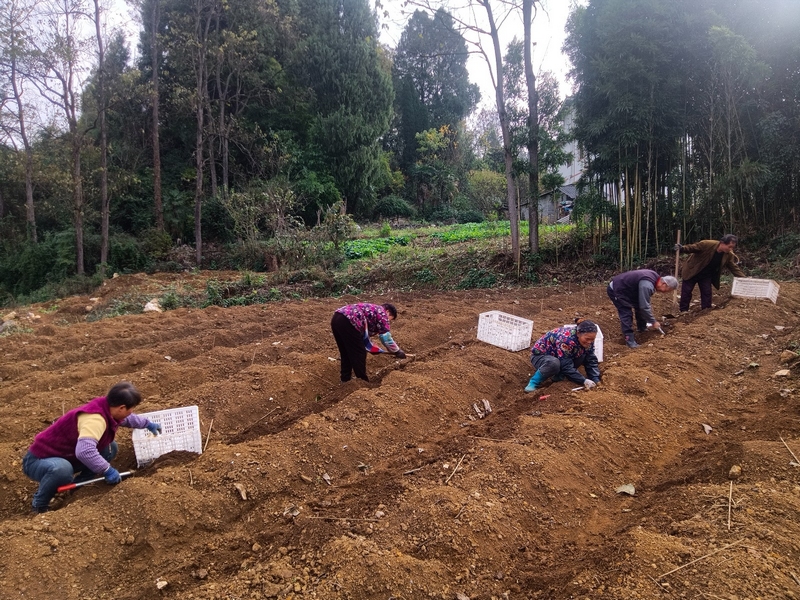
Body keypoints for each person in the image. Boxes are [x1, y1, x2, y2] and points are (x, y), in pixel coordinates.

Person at [22, 381, 161, 514]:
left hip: (67, 455)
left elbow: (127, 419)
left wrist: (147, 424)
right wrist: (107, 470)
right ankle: (40, 504)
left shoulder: (108, 407)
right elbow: (84, 451)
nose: (131, 412)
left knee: (109, 448)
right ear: (121, 407)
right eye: (131, 409)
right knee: (62, 470)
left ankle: (79, 486)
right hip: (39, 460)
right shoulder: (95, 419)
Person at [331, 302, 406, 382]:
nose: (388, 321)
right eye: (390, 318)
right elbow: (385, 337)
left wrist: (372, 348)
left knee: (346, 351)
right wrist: (397, 350)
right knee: (360, 352)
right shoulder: (382, 313)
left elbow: (361, 336)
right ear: (388, 312)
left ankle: (345, 379)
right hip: (349, 320)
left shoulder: (372, 310)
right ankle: (362, 381)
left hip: (336, 318)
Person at [524, 319, 601, 393]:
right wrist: (583, 380)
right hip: (541, 356)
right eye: (587, 339)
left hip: (560, 356)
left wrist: (595, 378)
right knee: (553, 363)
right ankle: (534, 382)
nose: (589, 342)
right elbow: (566, 364)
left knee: (583, 355)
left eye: (592, 339)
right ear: (578, 333)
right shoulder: (566, 340)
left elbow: (591, 359)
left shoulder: (588, 341)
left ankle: (559, 375)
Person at [607, 269, 678, 348]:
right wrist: (653, 321)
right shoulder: (647, 285)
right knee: (626, 313)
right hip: (618, 289)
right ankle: (629, 341)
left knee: (639, 306)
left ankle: (642, 328)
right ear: (664, 284)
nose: (665, 293)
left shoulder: (654, 278)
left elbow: (642, 305)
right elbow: (644, 306)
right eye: (668, 290)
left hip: (629, 290)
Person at [675, 234, 744, 312]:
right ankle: (683, 311)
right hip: (692, 270)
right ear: (722, 243)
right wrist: (682, 248)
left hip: (706, 275)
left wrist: (743, 278)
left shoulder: (728, 255)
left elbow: (733, 267)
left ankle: (706, 311)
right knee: (686, 292)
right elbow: (693, 247)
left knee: (707, 293)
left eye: (732, 247)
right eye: (729, 246)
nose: (731, 249)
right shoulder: (707, 244)